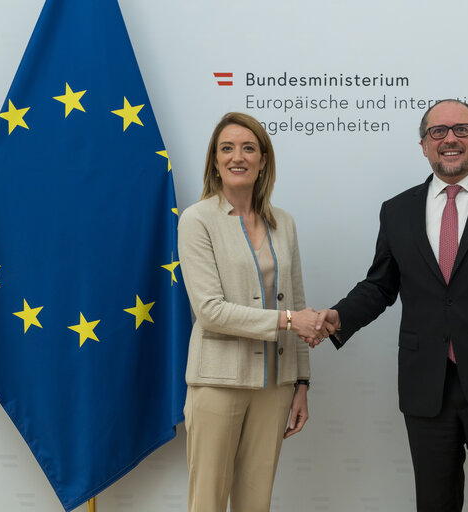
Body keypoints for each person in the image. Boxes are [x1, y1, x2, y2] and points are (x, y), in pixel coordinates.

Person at [312, 99, 468, 512]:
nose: (450, 139)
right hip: (426, 387)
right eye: (437, 132)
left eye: (461, 129)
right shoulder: (397, 210)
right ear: (423, 145)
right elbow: (379, 286)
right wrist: (338, 317)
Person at [178, 112, 331, 512]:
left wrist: (302, 383)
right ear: (214, 160)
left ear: (264, 160)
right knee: (207, 503)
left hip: (275, 387)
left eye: (248, 148)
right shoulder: (196, 220)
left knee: (255, 503)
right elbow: (210, 311)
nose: (237, 156)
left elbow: (296, 302)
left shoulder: (284, 223)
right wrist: (286, 321)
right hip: (217, 382)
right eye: (226, 148)